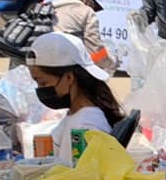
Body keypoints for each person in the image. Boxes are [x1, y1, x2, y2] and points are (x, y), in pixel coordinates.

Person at [27, 31, 124, 161]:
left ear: (69, 77)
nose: (40, 89)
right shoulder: (75, 114)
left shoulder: (87, 125)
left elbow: (84, 176)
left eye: (43, 83)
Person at [53, 0, 111, 70]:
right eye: (93, 5)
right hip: (65, 62)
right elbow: (94, 48)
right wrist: (110, 62)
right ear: (87, 1)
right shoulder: (86, 11)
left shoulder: (48, 7)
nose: (93, 9)